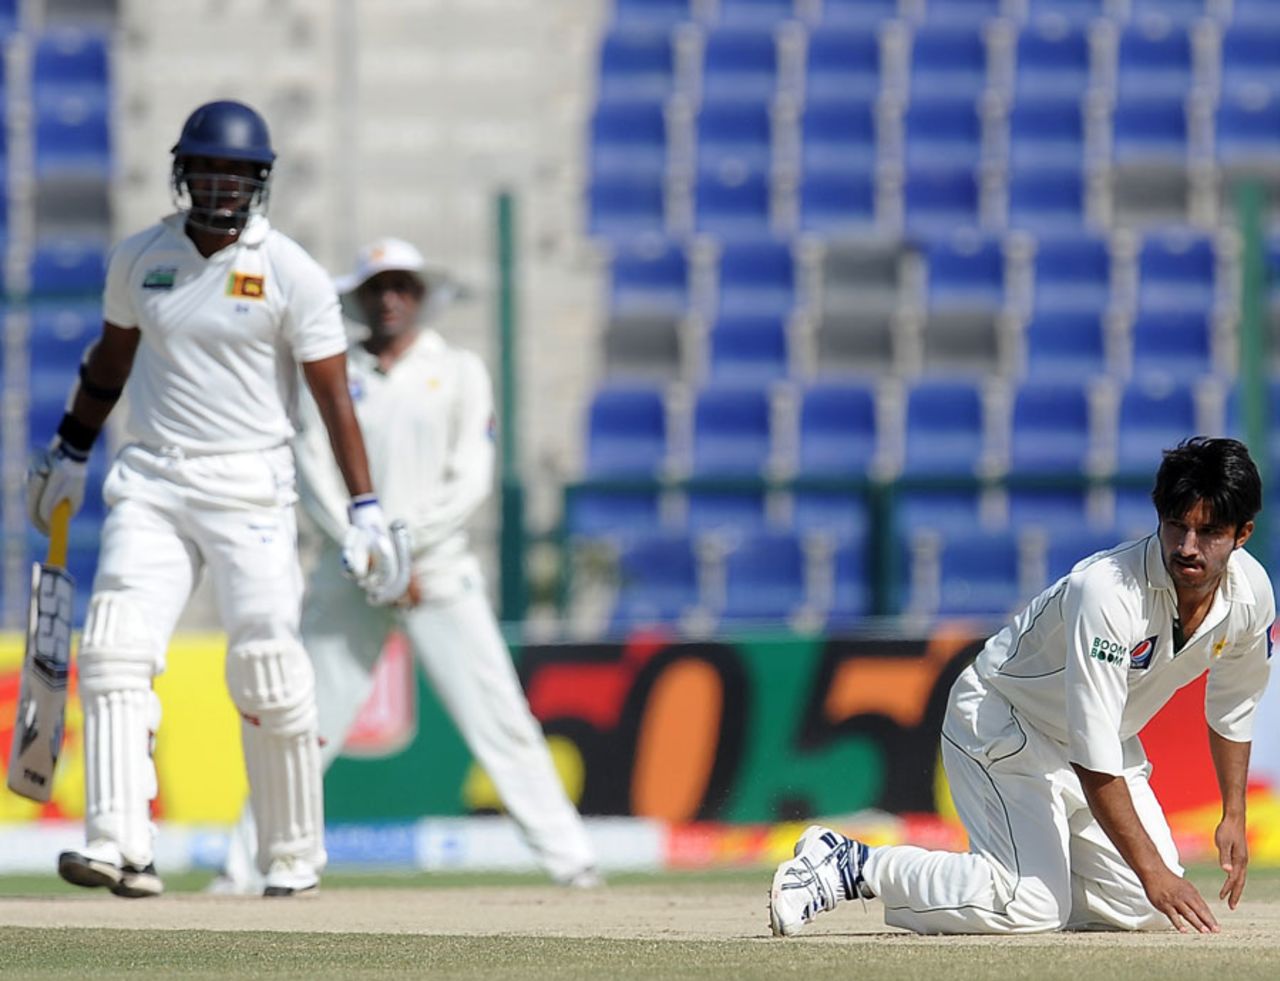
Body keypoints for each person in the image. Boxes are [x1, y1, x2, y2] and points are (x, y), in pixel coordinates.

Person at [25, 100, 407, 899]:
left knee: (267, 666)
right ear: (183, 171)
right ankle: (120, 845)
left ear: (259, 181)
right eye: (209, 168)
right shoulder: (140, 258)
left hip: (250, 488)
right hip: (154, 481)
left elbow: (335, 400)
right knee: (114, 651)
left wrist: (366, 506)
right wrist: (71, 444)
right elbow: (111, 360)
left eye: (237, 172)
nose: (222, 184)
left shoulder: (291, 272)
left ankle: (292, 857)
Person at [212, 237, 600, 892]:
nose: (389, 298)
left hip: (438, 572)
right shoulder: (333, 373)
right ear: (360, 298)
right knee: (298, 725)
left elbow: (471, 477)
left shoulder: (459, 371)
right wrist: (370, 554)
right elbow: (313, 472)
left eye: (402, 286)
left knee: (502, 719)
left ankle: (573, 862)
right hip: (351, 573)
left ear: (421, 296)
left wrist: (403, 547)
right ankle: (243, 867)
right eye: (377, 287)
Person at [769, 437, 1273, 936]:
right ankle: (853, 864)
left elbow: (1233, 706)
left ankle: (1028, 884)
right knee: (1035, 907)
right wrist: (1155, 874)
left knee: (1143, 906)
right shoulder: (1106, 592)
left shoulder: (1251, 596)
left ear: (1242, 533)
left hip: (1096, 741)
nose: (1186, 547)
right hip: (1003, 720)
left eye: (1208, 532)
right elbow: (1093, 755)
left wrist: (1233, 814)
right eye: (1176, 526)